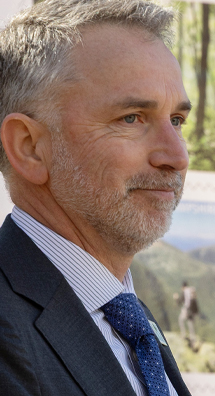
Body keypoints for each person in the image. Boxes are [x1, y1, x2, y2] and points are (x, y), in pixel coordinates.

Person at [0, 0, 192, 395]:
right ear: (29, 147)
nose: (177, 156)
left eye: (177, 121)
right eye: (132, 118)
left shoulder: (126, 319)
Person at [175, 281, 199, 349]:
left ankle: (183, 334)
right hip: (192, 310)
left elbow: (180, 302)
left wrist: (176, 298)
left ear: (183, 287)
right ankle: (193, 338)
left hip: (186, 310)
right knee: (190, 323)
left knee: (181, 320)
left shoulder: (184, 292)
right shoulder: (191, 291)